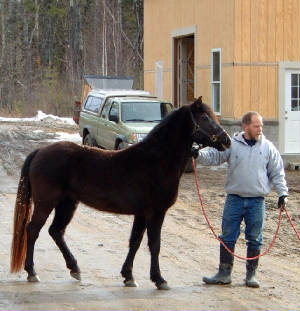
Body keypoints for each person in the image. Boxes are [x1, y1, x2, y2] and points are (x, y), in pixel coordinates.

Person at [192, 111, 288, 288]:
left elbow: (277, 172)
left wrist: (283, 194)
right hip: (234, 200)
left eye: (261, 126)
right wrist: (198, 155)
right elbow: (214, 156)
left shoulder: (267, 147)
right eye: (256, 126)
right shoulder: (232, 145)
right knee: (228, 236)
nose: (260, 129)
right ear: (245, 126)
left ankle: (251, 275)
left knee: (255, 238)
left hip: (257, 201)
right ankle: (224, 273)